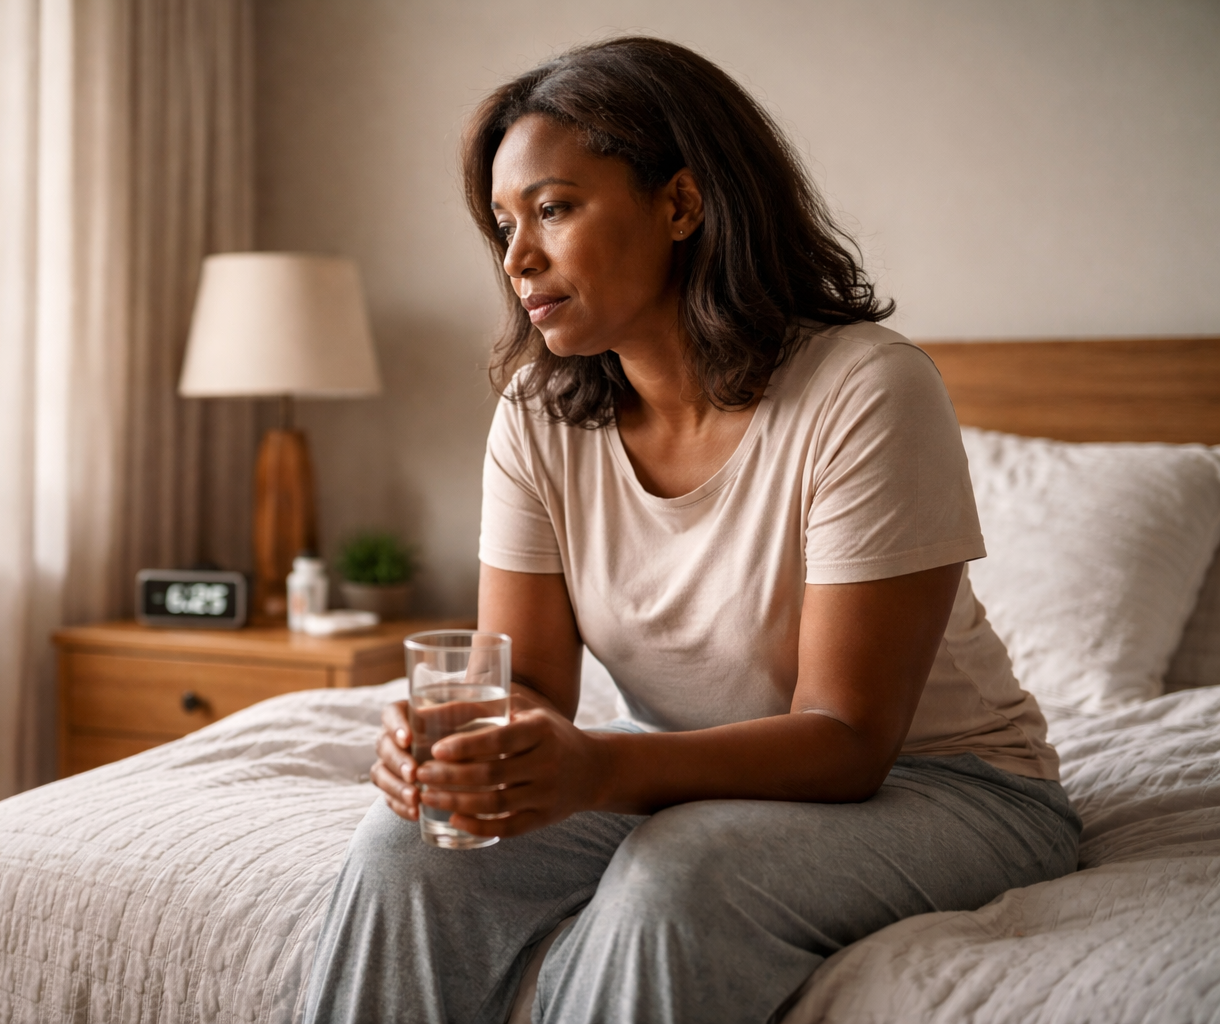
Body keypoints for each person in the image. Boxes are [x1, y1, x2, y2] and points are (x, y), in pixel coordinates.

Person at [301, 37, 1080, 1024]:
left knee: (679, 872)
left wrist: (601, 769)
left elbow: (848, 740)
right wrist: (466, 749)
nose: (517, 258)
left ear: (680, 203)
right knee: (407, 845)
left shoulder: (866, 389)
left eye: (554, 208)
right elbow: (530, 687)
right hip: (685, 772)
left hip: (944, 783)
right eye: (503, 224)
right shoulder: (538, 415)